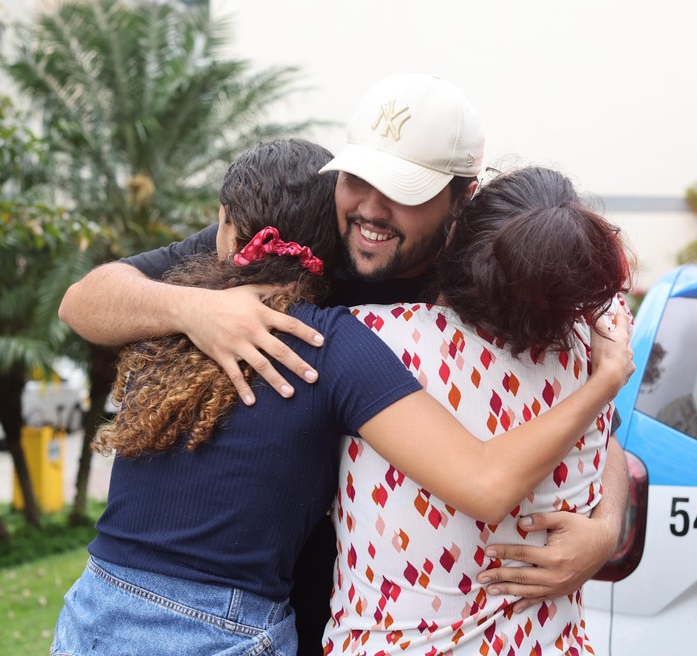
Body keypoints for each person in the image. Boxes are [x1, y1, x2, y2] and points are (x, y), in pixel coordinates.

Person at [58, 73, 631, 654]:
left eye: (404, 191)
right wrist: (194, 308)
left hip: (381, 623)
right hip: (267, 611)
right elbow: (84, 301)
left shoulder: (485, 279)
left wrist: (604, 530)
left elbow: (584, 418)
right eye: (356, 179)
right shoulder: (296, 239)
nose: (371, 211)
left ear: (464, 195)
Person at [325, 165, 629, 655]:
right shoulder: (601, 345)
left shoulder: (370, 338)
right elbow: (608, 437)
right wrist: (607, 528)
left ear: (454, 238)